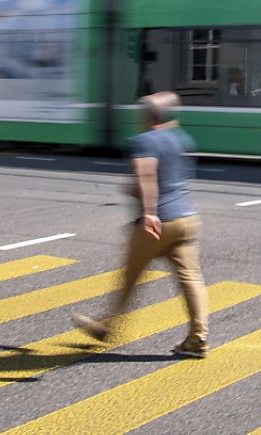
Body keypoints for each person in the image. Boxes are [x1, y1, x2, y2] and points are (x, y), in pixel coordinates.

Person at [72, 91, 209, 358]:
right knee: (191, 279)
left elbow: (146, 175)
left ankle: (107, 327)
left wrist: (149, 212)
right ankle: (198, 338)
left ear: (148, 116)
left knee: (131, 277)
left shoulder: (143, 141)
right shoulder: (182, 139)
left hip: (159, 222)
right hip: (187, 219)